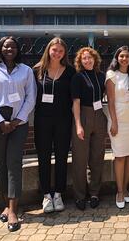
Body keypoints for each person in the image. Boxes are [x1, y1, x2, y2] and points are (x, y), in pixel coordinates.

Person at [0, 36, 36, 232]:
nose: (9, 49)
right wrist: (0, 121)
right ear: (0, 48)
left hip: (18, 123)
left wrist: (16, 121)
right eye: (5, 46)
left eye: (12, 46)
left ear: (17, 49)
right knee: (0, 163)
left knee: (14, 163)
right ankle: (5, 202)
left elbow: (31, 97)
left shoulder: (26, 71)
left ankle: (13, 210)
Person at [33, 37, 75, 213]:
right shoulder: (37, 70)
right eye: (54, 49)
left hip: (63, 120)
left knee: (61, 157)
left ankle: (58, 193)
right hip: (42, 120)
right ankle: (46, 195)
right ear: (48, 50)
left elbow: (74, 98)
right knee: (43, 158)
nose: (57, 53)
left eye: (60, 51)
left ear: (64, 53)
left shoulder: (70, 71)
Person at [71, 47, 107, 210]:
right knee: (80, 159)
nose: (87, 60)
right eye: (84, 58)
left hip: (99, 115)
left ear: (95, 59)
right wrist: (78, 124)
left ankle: (94, 193)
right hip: (83, 115)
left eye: (90, 57)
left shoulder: (101, 76)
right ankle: (79, 196)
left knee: (97, 157)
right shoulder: (77, 77)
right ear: (80, 61)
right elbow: (76, 103)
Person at [105, 46, 129, 209]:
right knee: (119, 156)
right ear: (117, 58)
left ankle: (125, 188)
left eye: (127, 56)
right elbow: (110, 101)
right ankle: (119, 191)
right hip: (117, 117)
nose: (124, 59)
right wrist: (114, 122)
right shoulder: (112, 75)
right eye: (121, 56)